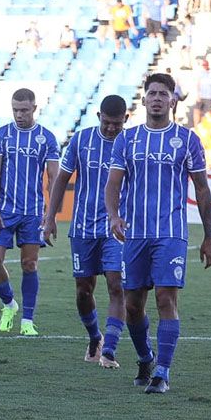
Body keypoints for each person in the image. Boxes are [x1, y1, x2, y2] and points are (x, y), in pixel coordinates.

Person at [105, 74, 211, 394]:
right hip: (134, 234)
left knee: (166, 298)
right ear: (143, 100)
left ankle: (163, 372)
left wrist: (209, 236)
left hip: (171, 233)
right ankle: (145, 357)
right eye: (151, 93)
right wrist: (113, 216)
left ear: (172, 101)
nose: (156, 98)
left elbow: (202, 189)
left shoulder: (188, 139)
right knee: (133, 306)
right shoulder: (128, 140)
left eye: (162, 94)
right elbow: (113, 184)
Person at [41, 95, 128, 366]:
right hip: (82, 227)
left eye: (117, 123)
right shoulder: (81, 140)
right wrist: (50, 216)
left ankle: (110, 350)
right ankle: (95, 336)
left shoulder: (132, 143)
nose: (112, 128)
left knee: (116, 284)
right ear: (98, 116)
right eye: (107, 122)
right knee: (83, 290)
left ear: (125, 119)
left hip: (117, 227)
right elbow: (62, 179)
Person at [0, 88, 60, 336]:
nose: (19, 114)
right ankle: (9, 304)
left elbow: (53, 177)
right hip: (4, 210)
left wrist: (51, 215)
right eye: (15, 110)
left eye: (24, 110)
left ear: (34, 109)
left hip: (32, 212)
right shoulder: (1, 135)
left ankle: (27, 320)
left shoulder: (46, 138)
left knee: (29, 264)